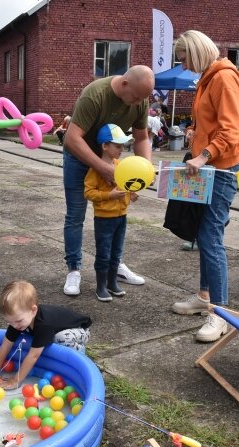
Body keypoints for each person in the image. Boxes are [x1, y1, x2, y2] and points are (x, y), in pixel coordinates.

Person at [170, 30, 239, 343]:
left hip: (220, 169)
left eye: (184, 58)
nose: (183, 65)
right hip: (209, 167)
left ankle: (221, 313)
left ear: (197, 53)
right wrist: (196, 133)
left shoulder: (223, 78)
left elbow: (233, 130)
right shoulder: (210, 77)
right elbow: (214, 123)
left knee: (211, 238)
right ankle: (204, 297)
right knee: (204, 235)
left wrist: (203, 155)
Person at [61, 65, 154, 296]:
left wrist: (145, 172)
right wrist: (102, 167)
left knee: (117, 214)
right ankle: (74, 269)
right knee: (75, 215)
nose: (137, 103)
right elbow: (72, 139)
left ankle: (116, 264)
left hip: (110, 160)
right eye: (135, 97)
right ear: (124, 84)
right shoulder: (96, 95)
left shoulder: (140, 99)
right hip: (78, 157)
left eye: (143, 99)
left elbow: (142, 138)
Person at [0, 281, 92, 389]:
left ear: (33, 310)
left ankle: (81, 355)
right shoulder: (18, 321)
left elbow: (33, 356)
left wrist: (15, 380)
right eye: (9, 322)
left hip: (79, 330)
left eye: (18, 321)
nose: (14, 326)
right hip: (56, 329)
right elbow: (5, 346)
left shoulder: (44, 324)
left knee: (60, 338)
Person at [84, 124, 137, 301]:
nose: (122, 150)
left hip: (121, 216)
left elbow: (126, 184)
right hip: (104, 219)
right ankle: (101, 286)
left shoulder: (120, 165)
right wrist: (109, 195)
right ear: (105, 146)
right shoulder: (96, 169)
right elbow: (88, 192)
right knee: (104, 253)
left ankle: (112, 282)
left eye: (123, 146)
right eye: (117, 146)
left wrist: (132, 193)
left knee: (116, 252)